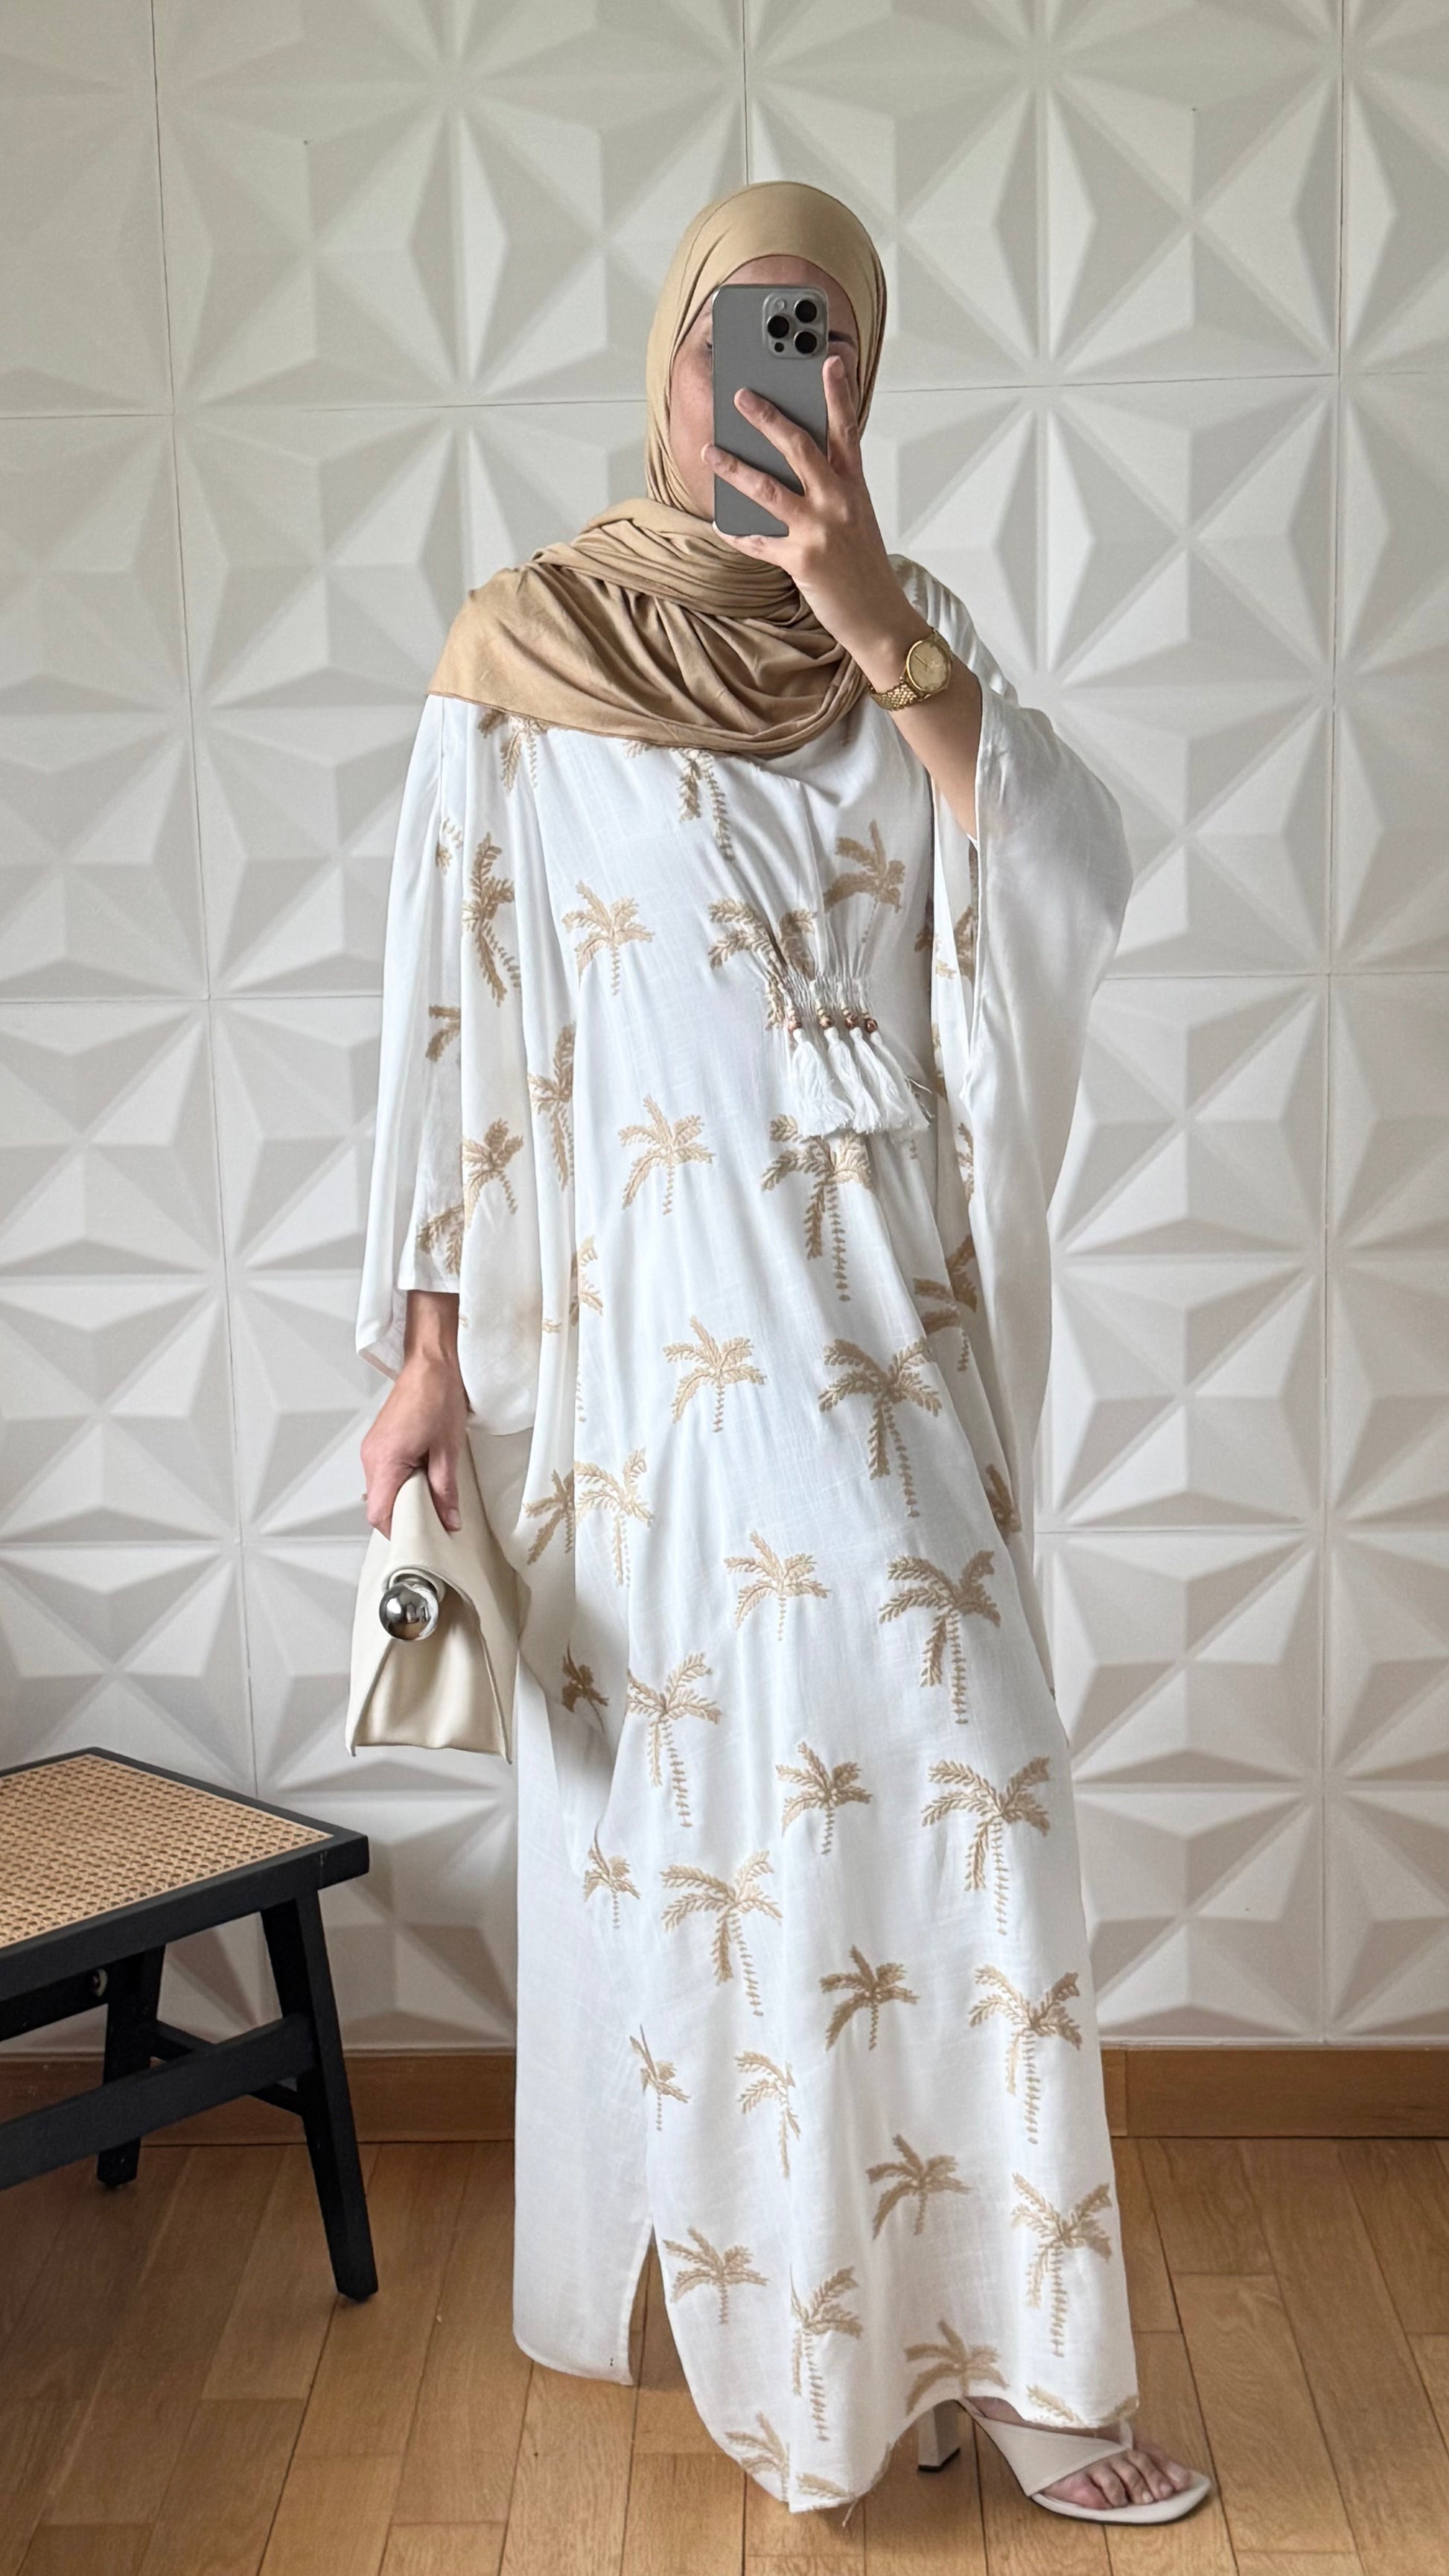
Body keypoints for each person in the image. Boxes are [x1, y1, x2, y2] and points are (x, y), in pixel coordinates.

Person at [356, 179, 1212, 2528]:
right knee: (751, 1831)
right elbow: (444, 1013)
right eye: (739, 333)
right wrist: (422, 1348)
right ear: (667, 356)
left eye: (820, 339)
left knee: (973, 1777)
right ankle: (843, 2346)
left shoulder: (897, 635)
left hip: (890, 1308)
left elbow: (1055, 884)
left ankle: (1016, 2351)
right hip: (664, 1346)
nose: (774, 381)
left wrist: (872, 618)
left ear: (864, 375)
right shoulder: (523, 647)